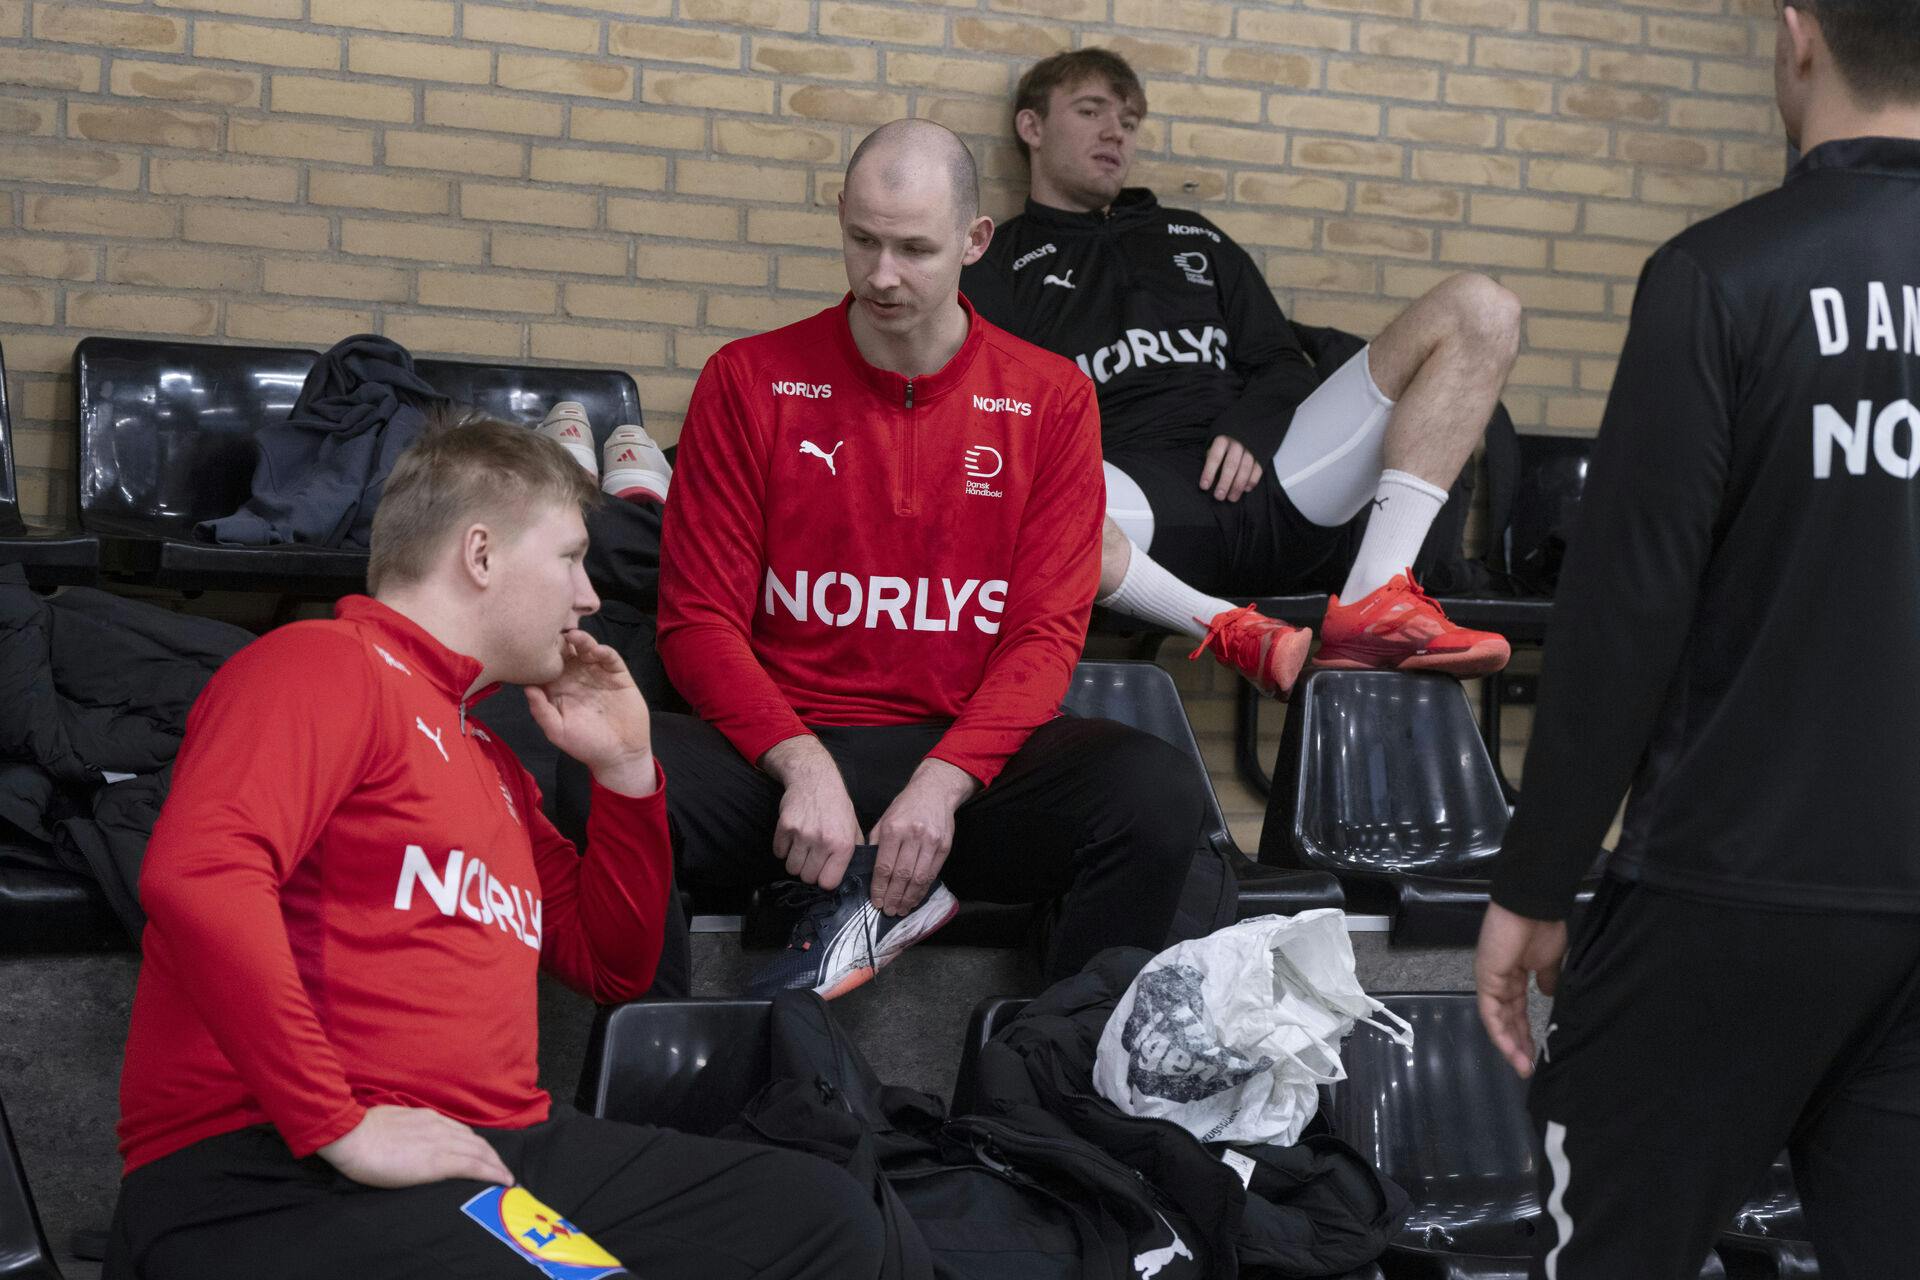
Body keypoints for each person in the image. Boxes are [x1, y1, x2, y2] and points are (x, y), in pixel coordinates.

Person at [106, 414, 885, 1279]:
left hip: (497, 1154)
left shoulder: (489, 761)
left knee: (823, 1220)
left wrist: (627, 772)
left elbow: (614, 965)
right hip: (274, 1165)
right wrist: (339, 1124)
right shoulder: (322, 664)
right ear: (480, 555)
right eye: (569, 558)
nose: (590, 596)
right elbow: (199, 874)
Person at [1473, 1, 1920, 1274]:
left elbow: (1626, 615)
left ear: (1797, 34)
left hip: (1728, 890)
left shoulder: (1722, 273)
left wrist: (1534, 881)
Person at [655, 118, 1209, 998]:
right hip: (785, 758)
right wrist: (798, 763)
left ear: (974, 241)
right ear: (839, 215)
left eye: (914, 248)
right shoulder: (747, 380)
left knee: (1157, 795)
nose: (882, 274)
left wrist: (944, 784)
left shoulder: (1054, 399)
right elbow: (696, 623)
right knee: (604, 774)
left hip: (961, 767)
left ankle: (1051, 1078)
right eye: (862, 240)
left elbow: (1044, 639)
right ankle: (664, 1061)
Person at [964, 49, 1519, 698]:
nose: (1117, 131)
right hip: (1134, 506)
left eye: (1131, 119)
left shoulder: (1197, 238)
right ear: (1031, 128)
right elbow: (988, 408)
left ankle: (1374, 600)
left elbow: (1281, 362)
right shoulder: (999, 260)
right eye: (1091, 112)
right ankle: (1231, 631)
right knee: (995, 489)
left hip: (1281, 482)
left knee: (1482, 309)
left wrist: (1250, 427)